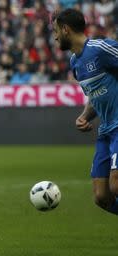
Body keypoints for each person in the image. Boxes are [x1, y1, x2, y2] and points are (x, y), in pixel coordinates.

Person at [52, 8, 118, 214]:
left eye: (55, 31)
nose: (54, 37)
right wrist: (84, 115)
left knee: (116, 184)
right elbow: (94, 94)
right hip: (105, 131)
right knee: (102, 196)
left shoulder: (100, 48)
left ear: (65, 29)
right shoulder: (75, 63)